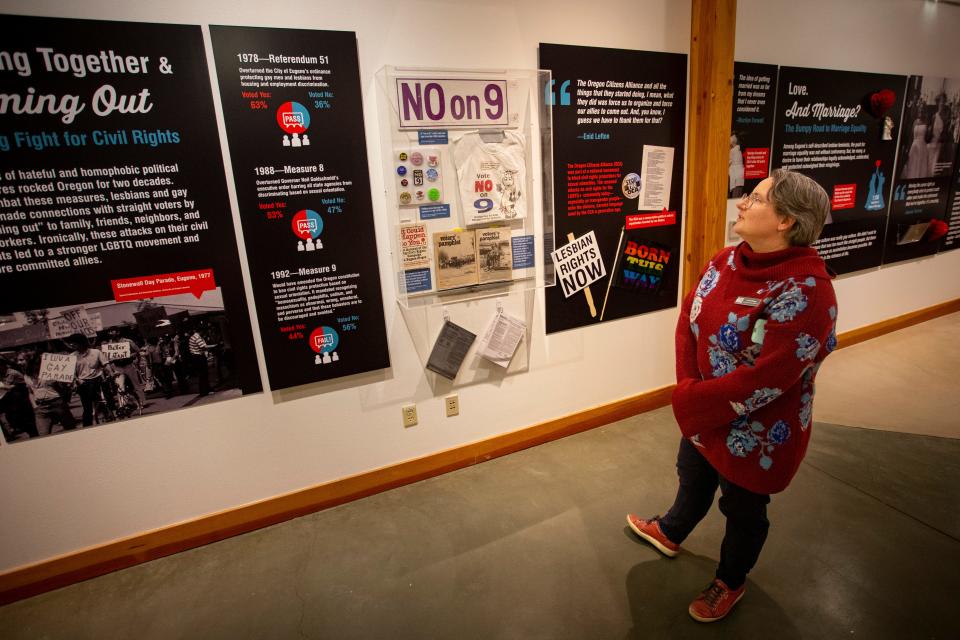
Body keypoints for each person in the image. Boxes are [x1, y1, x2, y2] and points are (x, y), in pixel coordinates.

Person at [627, 169, 838, 622]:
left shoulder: (808, 290)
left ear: (786, 221)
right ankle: (670, 529)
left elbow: (771, 376)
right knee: (693, 471)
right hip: (705, 405)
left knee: (742, 507)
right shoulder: (727, 260)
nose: (742, 203)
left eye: (756, 198)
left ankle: (730, 580)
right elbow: (691, 317)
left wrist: (694, 401)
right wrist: (689, 389)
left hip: (757, 428)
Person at [67, 333, 116, 426]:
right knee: (87, 408)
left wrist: (111, 373)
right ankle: (87, 427)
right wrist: (76, 380)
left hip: (99, 379)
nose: (71, 345)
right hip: (83, 383)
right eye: (71, 343)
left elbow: (105, 364)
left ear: (81, 343)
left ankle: (112, 414)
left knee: (108, 400)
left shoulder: (96, 352)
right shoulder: (71, 357)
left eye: (74, 343)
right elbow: (71, 373)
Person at [728, 134, 745, 198]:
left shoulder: (733, 151)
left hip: (736, 176)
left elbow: (728, 162)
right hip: (739, 176)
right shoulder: (738, 149)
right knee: (738, 194)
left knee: (735, 196)